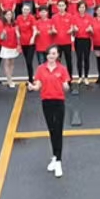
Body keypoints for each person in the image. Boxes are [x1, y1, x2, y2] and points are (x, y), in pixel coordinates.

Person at [29, 46, 71, 179]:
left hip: (59, 102)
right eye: (49, 54)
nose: (51, 56)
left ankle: (58, 161)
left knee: (58, 130)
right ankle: (55, 156)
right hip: (46, 102)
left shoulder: (62, 69)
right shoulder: (41, 69)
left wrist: (66, 86)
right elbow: (38, 86)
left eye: (53, 53)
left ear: (58, 55)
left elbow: (66, 86)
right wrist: (33, 87)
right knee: (52, 130)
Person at [0, 11, 21, 88]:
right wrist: (3, 33)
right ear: (4, 16)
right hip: (6, 46)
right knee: (7, 63)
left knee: (12, 63)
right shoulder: (2, 24)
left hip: (13, 46)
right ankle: (9, 80)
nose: (9, 16)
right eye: (7, 14)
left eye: (10, 14)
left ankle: (10, 77)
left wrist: (18, 44)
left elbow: (18, 36)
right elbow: (1, 37)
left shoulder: (15, 23)